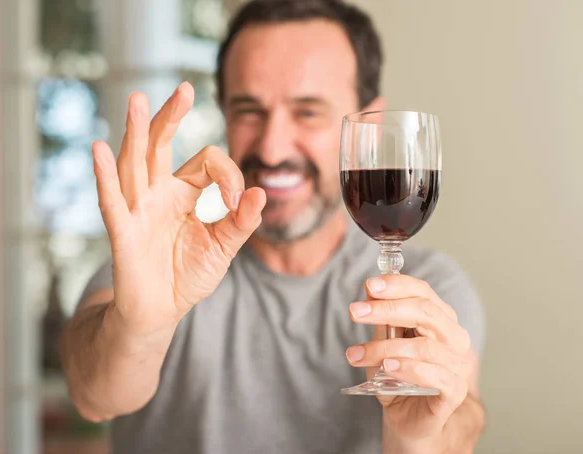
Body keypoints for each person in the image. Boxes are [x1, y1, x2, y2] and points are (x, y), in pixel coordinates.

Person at [60, 0, 486, 452]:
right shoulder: (157, 266)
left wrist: (419, 434)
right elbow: (94, 396)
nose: (273, 145)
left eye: (307, 111)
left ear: (371, 128)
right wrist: (138, 326)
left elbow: (463, 420)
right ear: (224, 113)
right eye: (249, 111)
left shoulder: (429, 288)